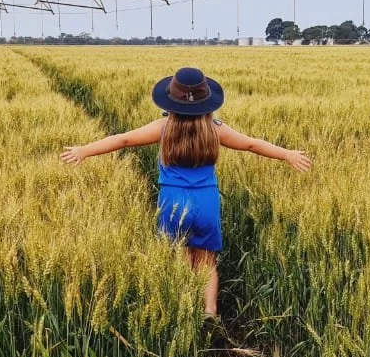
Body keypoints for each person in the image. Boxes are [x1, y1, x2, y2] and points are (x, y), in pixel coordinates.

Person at [59, 66, 311, 320]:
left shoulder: (164, 127)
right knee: (206, 263)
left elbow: (124, 140)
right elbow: (251, 144)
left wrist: (84, 150)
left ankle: (182, 310)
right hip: (206, 201)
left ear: (171, 101)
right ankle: (209, 312)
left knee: (180, 259)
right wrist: (286, 154)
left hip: (172, 201)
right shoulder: (215, 128)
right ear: (206, 101)